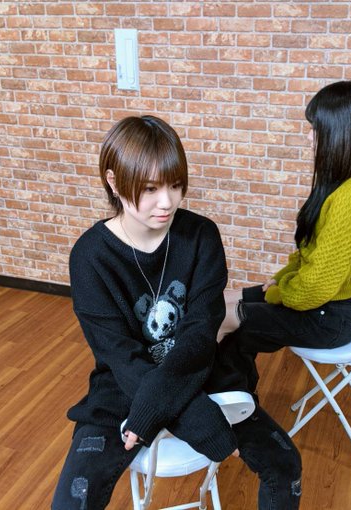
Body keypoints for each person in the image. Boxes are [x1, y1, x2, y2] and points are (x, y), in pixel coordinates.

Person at [52, 115, 301, 510]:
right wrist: (200, 421)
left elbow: (200, 336)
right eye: (150, 188)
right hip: (124, 383)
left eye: (175, 185)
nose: (167, 201)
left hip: (200, 370)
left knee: (286, 464)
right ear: (114, 182)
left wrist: (167, 409)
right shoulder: (89, 257)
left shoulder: (201, 236)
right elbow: (119, 355)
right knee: (71, 501)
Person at [210, 80, 351, 395]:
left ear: (338, 132)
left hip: (328, 318)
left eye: (315, 129)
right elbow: (311, 257)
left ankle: (225, 399)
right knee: (220, 302)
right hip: (323, 306)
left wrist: (279, 293)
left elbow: (317, 286)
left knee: (220, 317)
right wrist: (280, 279)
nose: (309, 136)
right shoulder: (346, 182)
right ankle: (232, 394)